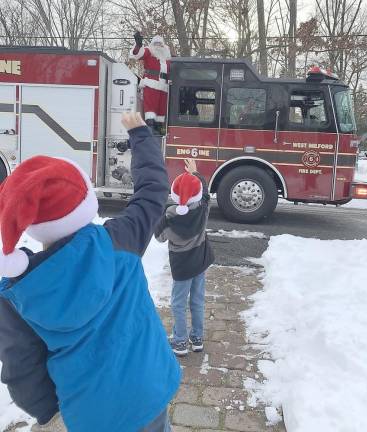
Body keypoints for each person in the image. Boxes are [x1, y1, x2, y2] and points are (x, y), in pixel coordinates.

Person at [0, 113, 181, 432]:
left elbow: (22, 369)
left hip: (91, 416)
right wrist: (140, 134)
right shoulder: (121, 240)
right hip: (150, 390)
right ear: (85, 199)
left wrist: (52, 410)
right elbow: (153, 190)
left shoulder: (19, 291)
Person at [155, 159, 214, 356]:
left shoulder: (169, 218)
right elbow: (205, 195)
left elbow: (159, 237)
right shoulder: (202, 210)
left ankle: (180, 341)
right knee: (197, 300)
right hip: (200, 260)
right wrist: (196, 174)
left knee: (178, 303)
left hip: (182, 266)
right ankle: (197, 338)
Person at [129, 32, 171, 132]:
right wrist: (138, 44)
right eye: (156, 44)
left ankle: (159, 128)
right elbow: (138, 54)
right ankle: (150, 127)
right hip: (151, 83)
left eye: (160, 44)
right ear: (152, 44)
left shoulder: (167, 57)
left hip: (164, 86)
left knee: (162, 108)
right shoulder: (149, 51)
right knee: (151, 108)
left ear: (163, 45)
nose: (158, 46)